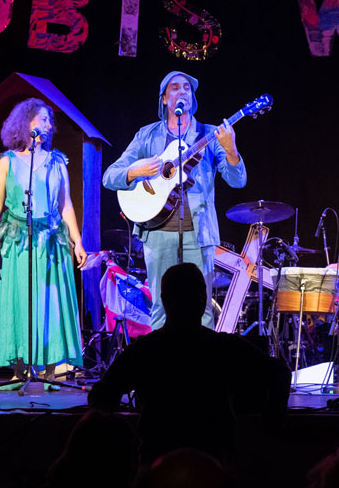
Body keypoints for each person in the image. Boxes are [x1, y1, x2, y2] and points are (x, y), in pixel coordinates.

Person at [89, 262, 289, 466]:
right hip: (213, 464)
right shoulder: (224, 347)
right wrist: (273, 421)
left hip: (157, 463)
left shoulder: (145, 350)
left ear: (164, 300)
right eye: (197, 291)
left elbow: (100, 396)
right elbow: (279, 372)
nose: (200, 297)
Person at [102, 71, 246, 329]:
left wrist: (231, 150)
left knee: (202, 309)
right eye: (175, 88)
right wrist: (135, 171)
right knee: (160, 307)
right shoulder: (146, 136)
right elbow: (109, 177)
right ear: (164, 99)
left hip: (199, 233)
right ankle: (163, 357)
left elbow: (238, 181)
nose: (182, 92)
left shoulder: (209, 134)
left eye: (187, 88)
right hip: (157, 232)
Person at [0, 98, 86, 385]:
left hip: (51, 241)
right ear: (25, 122)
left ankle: (50, 371)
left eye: (49, 121)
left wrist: (77, 241)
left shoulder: (56, 162)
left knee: (50, 302)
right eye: (43, 119)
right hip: (18, 241)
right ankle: (19, 371)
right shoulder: (6, 162)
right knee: (19, 300)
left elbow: (65, 205)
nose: (48, 125)